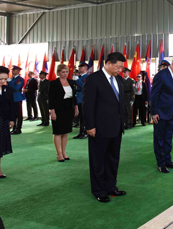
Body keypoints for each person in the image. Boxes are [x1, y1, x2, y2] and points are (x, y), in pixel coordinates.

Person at [82, 52, 127, 203]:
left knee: (113, 159)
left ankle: (110, 186)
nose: (120, 70)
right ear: (108, 63)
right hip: (99, 128)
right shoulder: (93, 79)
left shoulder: (119, 79)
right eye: (118, 66)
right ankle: (99, 190)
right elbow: (88, 105)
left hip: (116, 127)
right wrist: (90, 126)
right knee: (98, 160)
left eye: (121, 67)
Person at [150, 57, 173, 173]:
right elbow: (154, 95)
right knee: (159, 139)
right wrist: (154, 112)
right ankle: (161, 163)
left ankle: (168, 160)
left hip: (171, 113)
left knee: (168, 139)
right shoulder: (161, 75)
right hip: (160, 113)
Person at [48, 64, 78, 162]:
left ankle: (64, 152)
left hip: (69, 108)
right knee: (58, 132)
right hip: (58, 109)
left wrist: (76, 108)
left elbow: (74, 97)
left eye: (66, 72)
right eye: (63, 72)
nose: (65, 74)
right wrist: (52, 112)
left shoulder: (71, 82)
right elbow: (51, 99)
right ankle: (58, 153)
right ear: (58, 73)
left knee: (66, 132)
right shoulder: (53, 83)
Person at [73, 62, 89, 139]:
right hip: (78, 98)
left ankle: (86, 132)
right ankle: (81, 132)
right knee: (81, 117)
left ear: (85, 68)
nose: (79, 68)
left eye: (81, 67)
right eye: (79, 67)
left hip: (84, 98)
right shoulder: (78, 77)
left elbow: (85, 87)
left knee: (85, 116)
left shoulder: (88, 77)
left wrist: (77, 80)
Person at [8, 66, 25, 135]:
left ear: (18, 71)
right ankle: (14, 128)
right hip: (11, 97)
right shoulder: (11, 79)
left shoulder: (20, 79)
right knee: (12, 113)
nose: (12, 71)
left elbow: (16, 87)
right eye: (12, 70)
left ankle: (18, 128)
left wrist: (10, 82)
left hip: (17, 97)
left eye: (14, 70)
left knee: (19, 114)